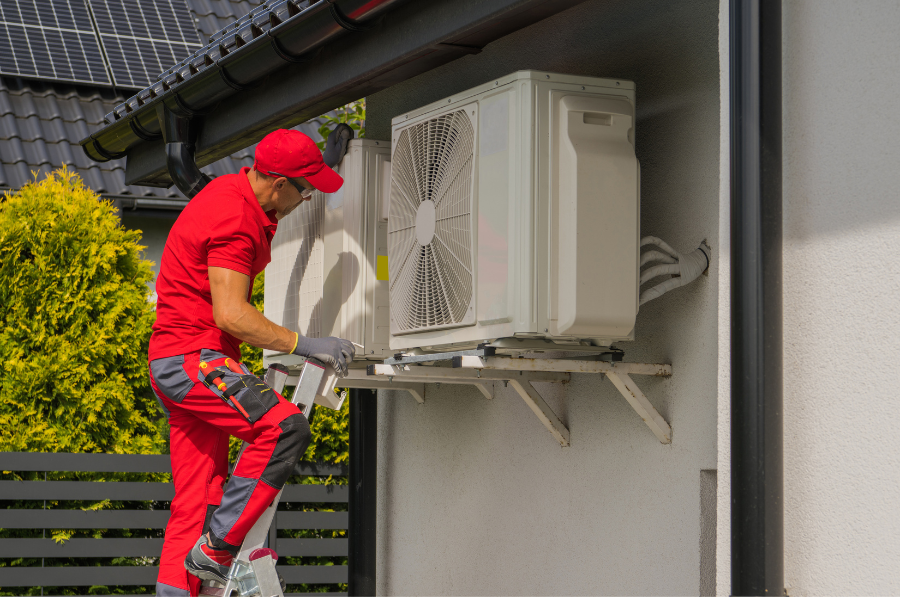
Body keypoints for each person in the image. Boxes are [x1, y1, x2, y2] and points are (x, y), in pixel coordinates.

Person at [147, 129, 356, 596]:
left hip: (173, 359)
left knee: (197, 502)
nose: (307, 198)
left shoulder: (233, 191)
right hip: (193, 360)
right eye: (305, 190)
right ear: (279, 184)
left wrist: (326, 164)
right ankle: (217, 551)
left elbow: (290, 181)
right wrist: (304, 344)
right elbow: (231, 313)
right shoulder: (236, 219)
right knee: (284, 429)